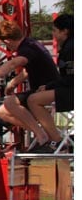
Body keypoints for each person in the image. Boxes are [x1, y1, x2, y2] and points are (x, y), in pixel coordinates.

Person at [0, 19, 60, 150]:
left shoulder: (26, 48)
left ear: (7, 41)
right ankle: (42, 133)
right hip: (44, 87)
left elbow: (16, 62)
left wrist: (0, 71)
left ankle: (43, 136)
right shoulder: (32, 44)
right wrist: (13, 83)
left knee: (10, 103)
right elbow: (27, 70)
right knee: (2, 112)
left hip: (46, 89)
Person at [25, 14, 73, 152]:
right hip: (70, 87)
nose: (53, 34)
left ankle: (56, 140)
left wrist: (49, 86)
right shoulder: (70, 46)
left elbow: (71, 77)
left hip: (72, 90)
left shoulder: (71, 49)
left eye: (55, 30)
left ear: (65, 31)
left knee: (33, 100)